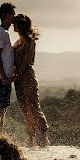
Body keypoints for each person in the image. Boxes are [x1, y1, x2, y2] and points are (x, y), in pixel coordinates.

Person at [13, 14, 50, 147]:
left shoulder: (29, 42)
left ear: (20, 26)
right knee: (25, 109)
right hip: (18, 80)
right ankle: (31, 139)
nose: (13, 25)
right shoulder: (17, 42)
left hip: (27, 77)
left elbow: (26, 62)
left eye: (15, 23)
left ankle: (44, 136)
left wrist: (15, 75)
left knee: (33, 108)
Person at [0, 2, 16, 132]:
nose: (14, 17)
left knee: (3, 108)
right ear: (6, 15)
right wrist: (4, 76)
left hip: (3, 77)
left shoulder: (4, 32)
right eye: (13, 14)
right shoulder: (1, 33)